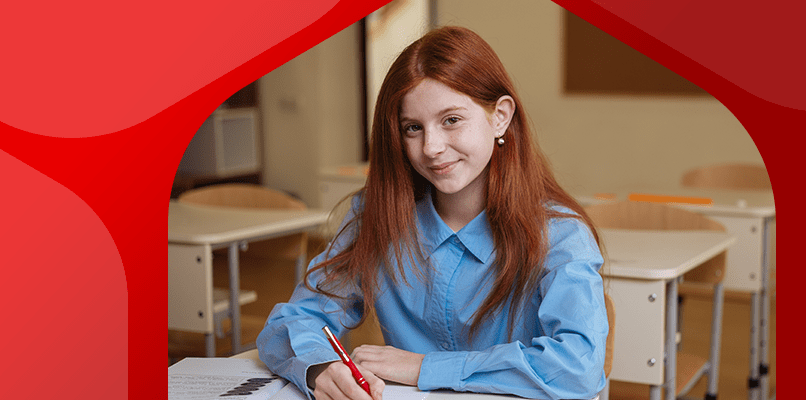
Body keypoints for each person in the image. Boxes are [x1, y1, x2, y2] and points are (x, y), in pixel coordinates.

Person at [256, 26, 608, 400]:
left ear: (500, 117)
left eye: (451, 120)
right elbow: (288, 323)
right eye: (413, 128)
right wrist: (320, 369)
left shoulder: (560, 234)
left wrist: (424, 367)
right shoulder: (375, 216)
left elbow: (579, 368)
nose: (432, 147)